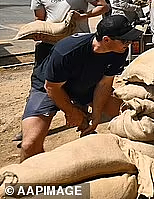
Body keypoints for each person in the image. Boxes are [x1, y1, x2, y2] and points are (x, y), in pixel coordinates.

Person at [20, 15, 143, 161]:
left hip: (85, 85)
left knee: (129, 117)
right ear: (106, 40)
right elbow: (52, 87)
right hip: (48, 88)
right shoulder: (67, 51)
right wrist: (71, 111)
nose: (128, 44)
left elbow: (104, 84)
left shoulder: (119, 51)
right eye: (125, 40)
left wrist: (96, 115)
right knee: (29, 144)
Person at [30, 0, 109, 65]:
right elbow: (39, 19)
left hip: (78, 40)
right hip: (51, 42)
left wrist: (83, 16)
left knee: (78, 76)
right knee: (47, 76)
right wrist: (38, 33)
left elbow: (103, 6)